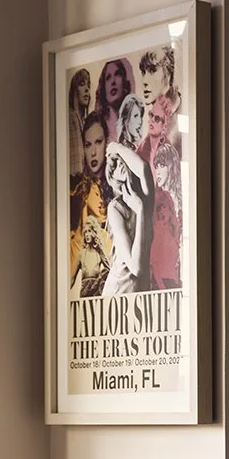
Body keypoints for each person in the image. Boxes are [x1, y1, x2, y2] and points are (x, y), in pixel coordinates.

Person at [102, 141, 154, 295]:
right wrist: (140, 211)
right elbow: (135, 267)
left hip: (139, 292)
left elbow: (144, 168)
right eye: (115, 164)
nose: (120, 164)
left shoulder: (145, 198)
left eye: (123, 160)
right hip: (118, 292)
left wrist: (116, 147)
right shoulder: (115, 208)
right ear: (112, 176)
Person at [69, 110, 111, 286]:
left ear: (107, 143)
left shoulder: (119, 185)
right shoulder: (80, 192)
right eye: (88, 145)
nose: (93, 152)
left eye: (98, 142)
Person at [94, 57, 132, 140]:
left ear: (124, 81)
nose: (113, 81)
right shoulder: (99, 127)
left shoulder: (132, 123)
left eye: (117, 74)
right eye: (108, 77)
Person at [67, 67, 91, 178]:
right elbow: (76, 166)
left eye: (88, 85)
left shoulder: (83, 122)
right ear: (74, 90)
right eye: (82, 84)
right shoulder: (71, 117)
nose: (87, 89)